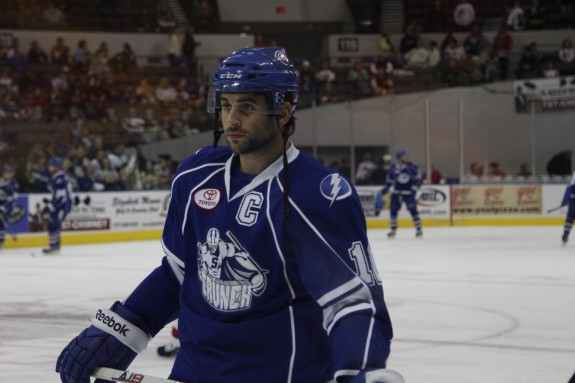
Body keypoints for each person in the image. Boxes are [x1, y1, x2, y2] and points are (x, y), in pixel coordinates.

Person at [55, 46, 396, 383]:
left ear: (284, 111)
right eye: (226, 104)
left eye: (247, 107)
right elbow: (179, 274)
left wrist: (359, 369)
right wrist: (118, 330)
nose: (232, 119)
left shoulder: (314, 193)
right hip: (192, 374)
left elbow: (351, 301)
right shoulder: (195, 176)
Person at [381, 150, 423, 238]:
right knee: (393, 211)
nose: (405, 157)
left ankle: (419, 229)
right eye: (403, 156)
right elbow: (389, 180)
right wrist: (386, 187)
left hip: (408, 193)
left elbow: (419, 178)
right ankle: (393, 230)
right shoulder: (393, 168)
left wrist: (415, 188)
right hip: (396, 193)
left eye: (405, 156)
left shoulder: (412, 167)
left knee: (413, 210)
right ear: (399, 158)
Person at [42, 157, 73, 254]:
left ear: (56, 167)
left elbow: (61, 196)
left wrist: (50, 207)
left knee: (54, 223)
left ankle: (54, 245)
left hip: (63, 206)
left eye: (51, 165)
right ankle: (54, 245)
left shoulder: (59, 178)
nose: (49, 167)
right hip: (61, 205)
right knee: (52, 224)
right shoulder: (58, 176)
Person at [0, 164, 19, 250]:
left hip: (7, 207)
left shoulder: (13, 184)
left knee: (2, 224)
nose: (8, 174)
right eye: (6, 172)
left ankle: (1, 241)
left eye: (9, 173)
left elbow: (12, 199)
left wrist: (4, 208)